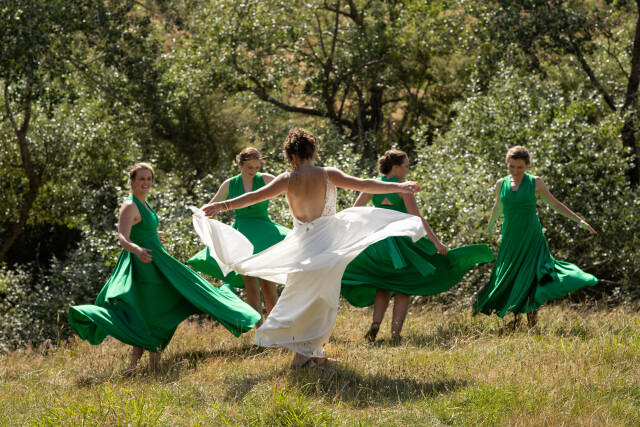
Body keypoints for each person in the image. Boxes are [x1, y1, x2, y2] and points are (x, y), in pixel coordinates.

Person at [191, 129, 427, 369]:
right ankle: (302, 358)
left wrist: (223, 205)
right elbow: (364, 184)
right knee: (319, 302)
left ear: (291, 156)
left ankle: (314, 355)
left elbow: (253, 197)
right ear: (313, 151)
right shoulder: (327, 174)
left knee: (306, 300)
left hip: (302, 248)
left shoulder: (286, 179)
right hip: (325, 247)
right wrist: (401, 187)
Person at [68, 163, 261, 371]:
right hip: (143, 265)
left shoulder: (145, 203)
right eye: (141, 178)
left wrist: (153, 236)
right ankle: (146, 366)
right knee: (152, 311)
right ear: (132, 181)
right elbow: (122, 237)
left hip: (158, 262)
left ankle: (141, 366)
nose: (146, 182)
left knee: (159, 307)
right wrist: (138, 250)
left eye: (149, 178)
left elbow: (141, 229)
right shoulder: (130, 205)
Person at [341, 150, 495, 342]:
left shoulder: (373, 185)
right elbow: (417, 218)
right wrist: (436, 242)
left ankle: (375, 324)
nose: (408, 169)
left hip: (379, 244)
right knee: (404, 287)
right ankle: (395, 334)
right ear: (396, 167)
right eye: (406, 166)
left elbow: (355, 210)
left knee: (383, 284)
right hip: (401, 244)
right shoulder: (403, 188)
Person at [473, 146, 598, 326]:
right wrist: (491, 223)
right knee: (512, 274)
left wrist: (580, 221)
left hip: (531, 236)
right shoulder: (501, 184)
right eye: (511, 166)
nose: (515, 171)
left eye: (520, 167)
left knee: (530, 275)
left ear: (527, 166)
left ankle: (532, 324)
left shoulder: (535, 182)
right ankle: (515, 320)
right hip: (510, 237)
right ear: (507, 164)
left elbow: (555, 204)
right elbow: (498, 205)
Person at [188, 148, 289, 326]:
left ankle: (276, 329)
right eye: (249, 167)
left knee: (269, 288)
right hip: (243, 238)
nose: (253, 171)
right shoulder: (230, 184)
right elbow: (213, 204)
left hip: (266, 235)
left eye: (257, 167)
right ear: (240, 164)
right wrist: (200, 214)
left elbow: (291, 189)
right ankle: (260, 331)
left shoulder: (266, 179)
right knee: (252, 288)